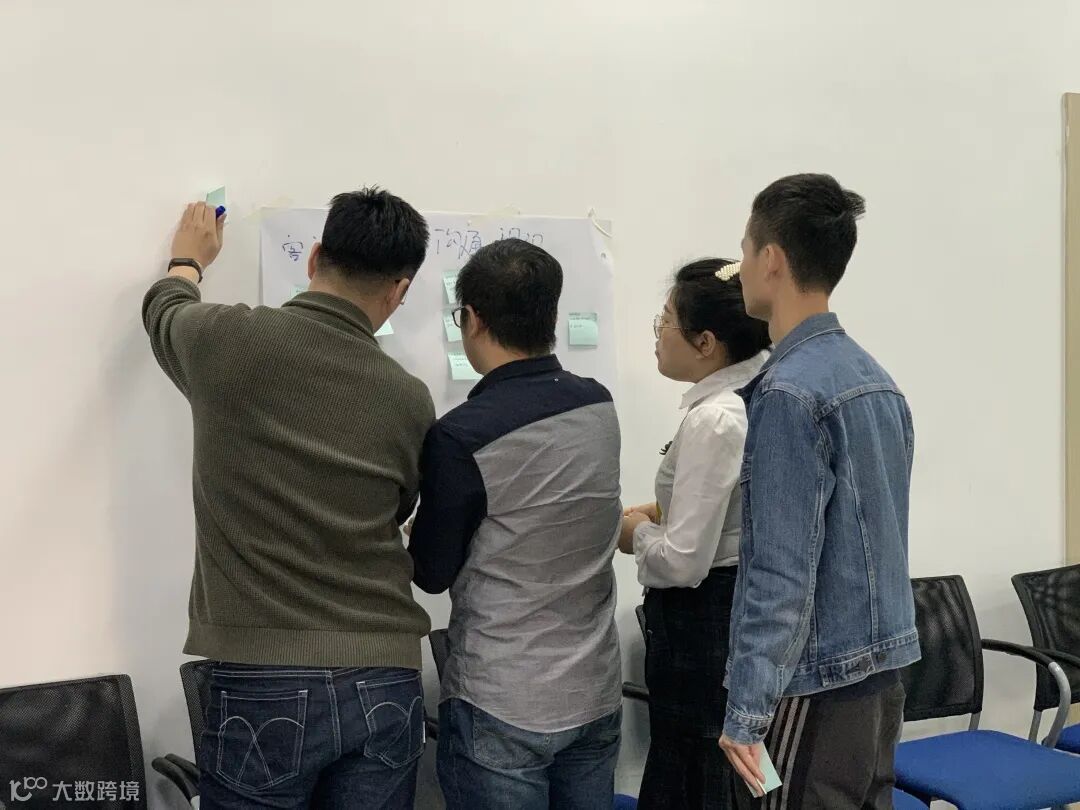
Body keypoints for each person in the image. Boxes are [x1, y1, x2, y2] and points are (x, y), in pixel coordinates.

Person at [142, 189, 436, 809]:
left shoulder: (228, 340)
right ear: (400, 290)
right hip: (387, 673)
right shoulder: (410, 397)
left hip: (262, 674)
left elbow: (164, 310)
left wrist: (187, 262)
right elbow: (399, 508)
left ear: (316, 256)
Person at [718, 174, 919, 810]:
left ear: (772, 259)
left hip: (815, 687)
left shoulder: (788, 393)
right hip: (882, 677)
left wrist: (747, 712)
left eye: (745, 250)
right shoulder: (875, 378)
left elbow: (780, 571)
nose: (740, 268)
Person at [406, 238, 623, 810]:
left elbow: (430, 573)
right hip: (594, 688)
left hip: (502, 701)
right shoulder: (598, 405)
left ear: (472, 319)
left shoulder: (461, 435)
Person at [619, 259, 770, 809]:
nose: (658, 333)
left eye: (665, 320)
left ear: (705, 342)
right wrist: (666, 511)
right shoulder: (757, 388)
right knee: (726, 770)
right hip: (733, 614)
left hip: (704, 624)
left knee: (700, 775)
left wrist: (636, 532)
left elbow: (684, 562)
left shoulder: (717, 418)